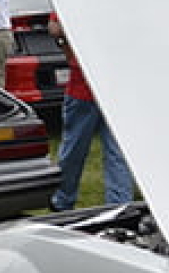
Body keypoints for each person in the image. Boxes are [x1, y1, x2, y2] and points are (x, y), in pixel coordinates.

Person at [48, 15, 134, 211]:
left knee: (74, 149)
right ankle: (119, 204)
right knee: (116, 152)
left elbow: (54, 27)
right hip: (112, 89)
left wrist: (67, 43)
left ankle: (63, 199)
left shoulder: (75, 2)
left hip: (85, 89)